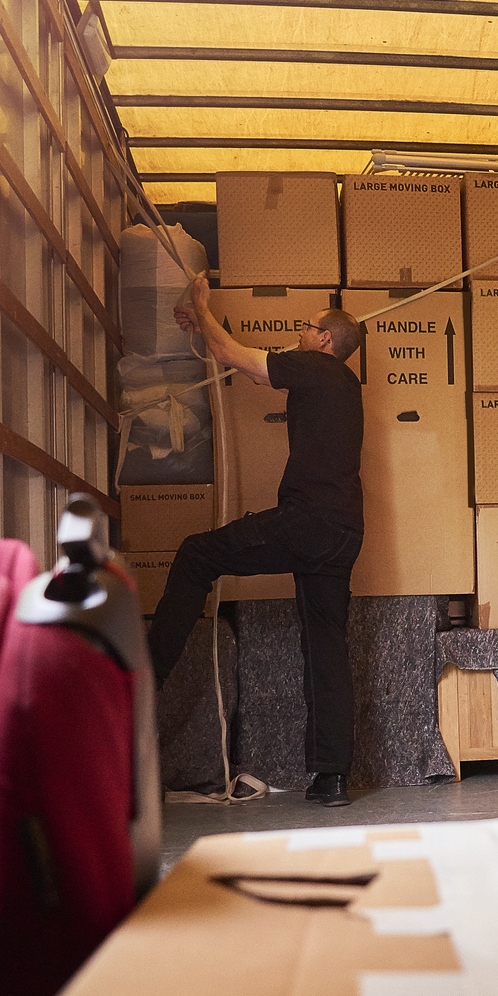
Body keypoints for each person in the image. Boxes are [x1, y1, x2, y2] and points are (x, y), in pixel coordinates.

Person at [150, 275, 366, 806]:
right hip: (344, 531)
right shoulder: (338, 385)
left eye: (305, 327)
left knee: (196, 554)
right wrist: (202, 324)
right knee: (325, 649)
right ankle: (332, 778)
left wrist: (202, 305)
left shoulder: (316, 368)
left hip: (307, 521)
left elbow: (239, 358)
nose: (297, 332)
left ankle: (141, 684)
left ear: (325, 341)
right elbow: (246, 369)